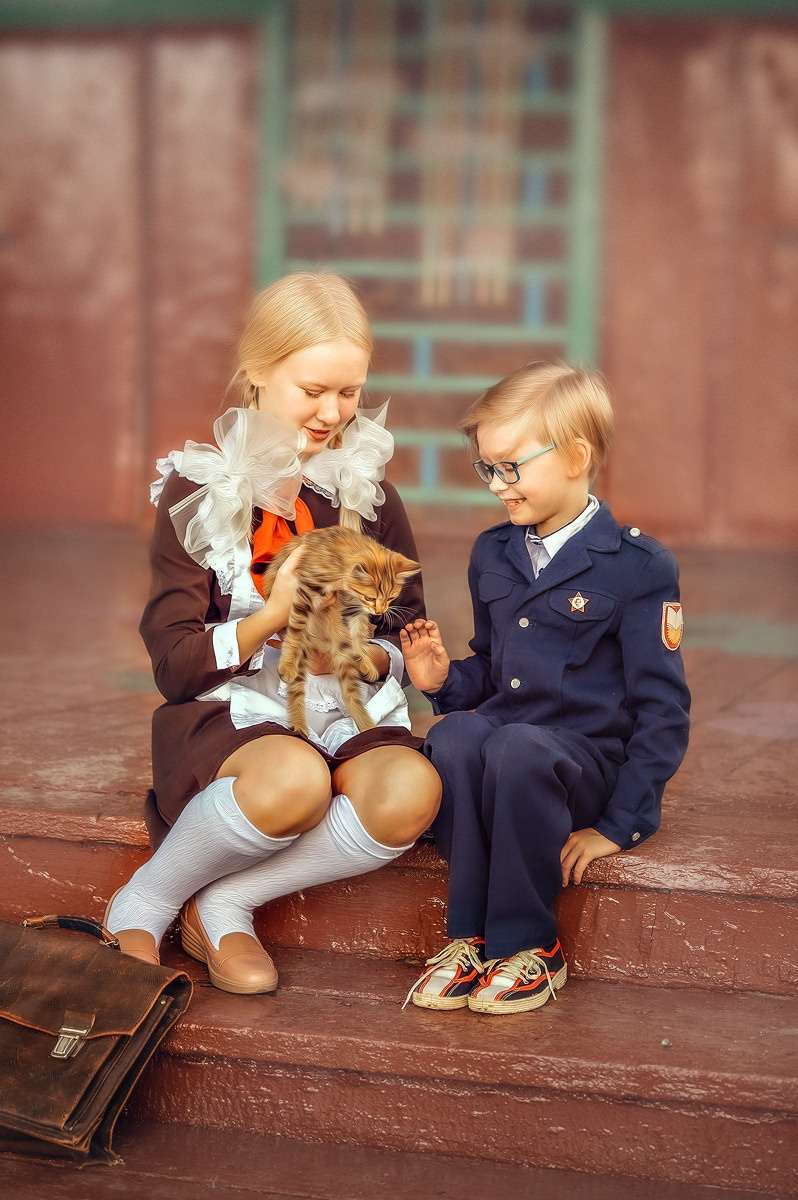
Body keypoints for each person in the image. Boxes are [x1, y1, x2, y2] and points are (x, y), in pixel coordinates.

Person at [105, 271, 441, 993]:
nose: (332, 412)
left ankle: (226, 903)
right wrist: (266, 620)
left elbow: (405, 622)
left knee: (412, 789)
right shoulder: (199, 490)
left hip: (340, 710)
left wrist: (366, 655)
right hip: (234, 712)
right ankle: (147, 899)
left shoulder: (367, 493)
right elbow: (174, 664)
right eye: (312, 390)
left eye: (348, 392)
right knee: (297, 779)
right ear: (257, 372)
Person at [401, 361, 690, 1015]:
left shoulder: (637, 567)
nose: (499, 485)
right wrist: (446, 681)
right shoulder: (493, 553)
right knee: (454, 734)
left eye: (512, 467)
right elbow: (494, 669)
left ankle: (532, 947)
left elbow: (662, 707)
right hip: (513, 753)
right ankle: (469, 939)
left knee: (516, 750)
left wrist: (620, 826)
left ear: (575, 457)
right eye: (487, 469)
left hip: (581, 767)